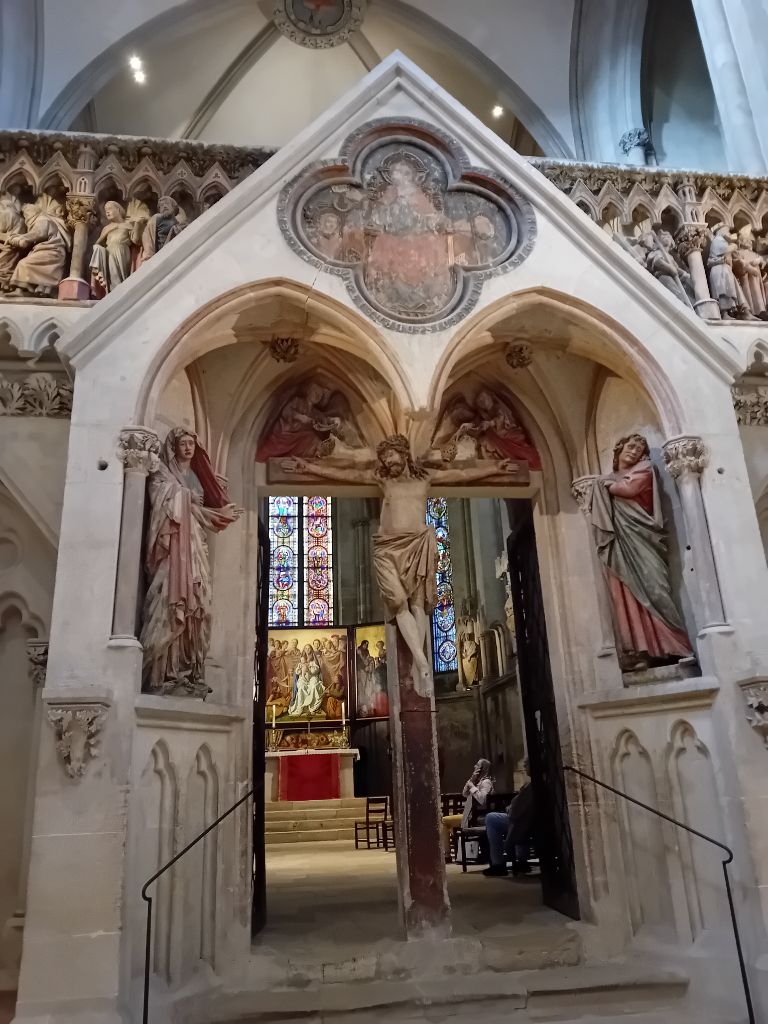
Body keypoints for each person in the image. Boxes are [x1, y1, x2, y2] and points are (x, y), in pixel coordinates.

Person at [483, 764, 535, 877]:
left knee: (491, 818)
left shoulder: (531, 787)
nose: (525, 765)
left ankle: (498, 864)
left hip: (524, 821)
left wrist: (510, 808)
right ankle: (522, 860)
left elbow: (516, 811)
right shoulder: (537, 783)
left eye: (527, 763)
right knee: (520, 820)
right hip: (529, 820)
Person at [441, 758, 494, 864]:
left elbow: (482, 800)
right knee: (445, 820)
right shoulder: (476, 781)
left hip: (477, 816)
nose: (474, 766)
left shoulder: (486, 782)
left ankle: (448, 855)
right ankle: (447, 855)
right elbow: (464, 794)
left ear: (482, 769)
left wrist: (473, 787)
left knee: (445, 821)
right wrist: (472, 780)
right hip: (469, 815)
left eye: (477, 765)